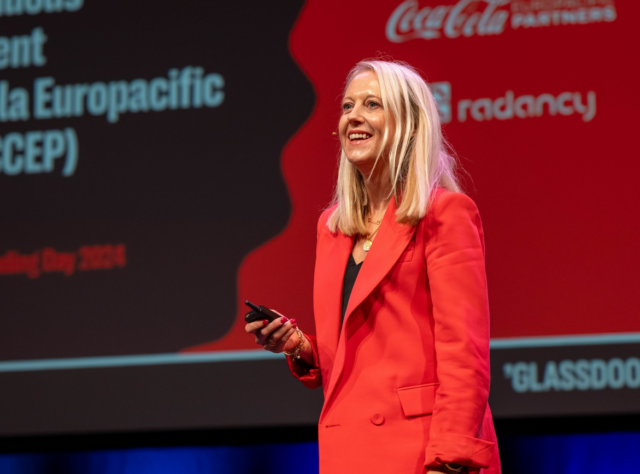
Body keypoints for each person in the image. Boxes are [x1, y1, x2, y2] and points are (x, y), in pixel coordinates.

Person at [245, 59, 500, 474]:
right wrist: (299, 346)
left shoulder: (445, 214)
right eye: (347, 107)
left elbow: (464, 356)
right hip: (349, 451)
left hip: (423, 453)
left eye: (372, 104)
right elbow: (358, 359)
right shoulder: (331, 228)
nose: (354, 117)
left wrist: (450, 459)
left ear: (410, 124)